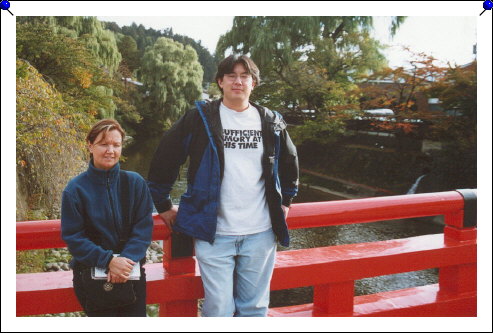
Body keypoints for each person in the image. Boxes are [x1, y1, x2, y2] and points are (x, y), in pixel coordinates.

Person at [148, 54, 299, 317]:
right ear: (220, 81)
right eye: (231, 76)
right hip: (214, 232)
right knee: (219, 308)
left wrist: (285, 201)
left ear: (254, 83)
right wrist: (161, 203)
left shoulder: (269, 120)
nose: (238, 81)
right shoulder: (201, 118)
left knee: (254, 308)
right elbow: (166, 157)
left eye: (245, 76)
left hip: (260, 232)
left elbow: (290, 161)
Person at [61, 119, 154, 317]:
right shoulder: (76, 189)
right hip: (91, 272)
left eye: (116, 145)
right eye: (104, 144)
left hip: (131, 271)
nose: (110, 150)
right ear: (90, 145)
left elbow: (143, 228)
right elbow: (73, 237)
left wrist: (124, 261)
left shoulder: (135, 183)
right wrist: (108, 261)